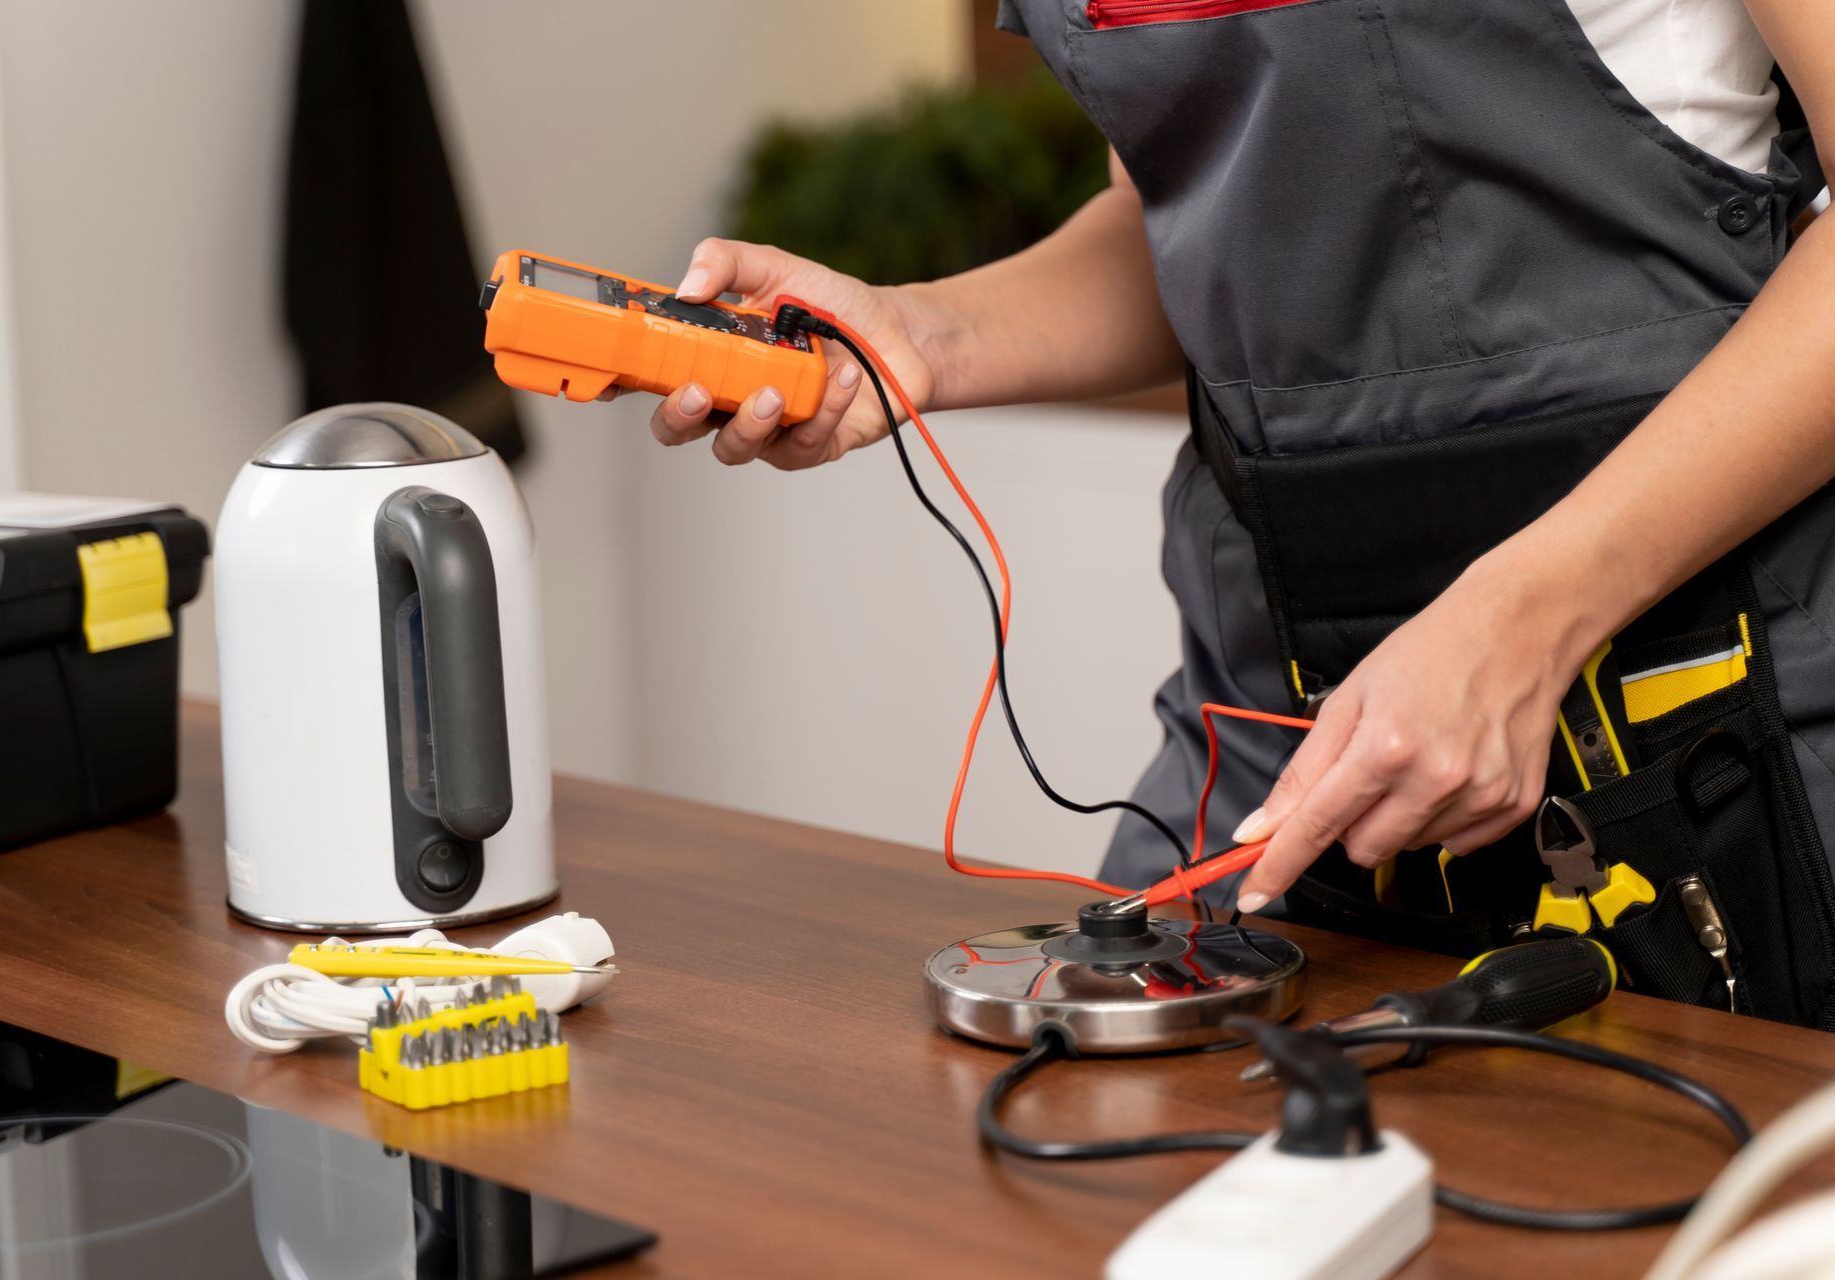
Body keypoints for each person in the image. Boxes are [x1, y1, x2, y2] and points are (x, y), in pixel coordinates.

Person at [648, 0, 1835, 1024]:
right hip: (1266, 722)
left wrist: (1523, 620)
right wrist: (918, 337)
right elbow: (1201, 213)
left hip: (1713, 726)